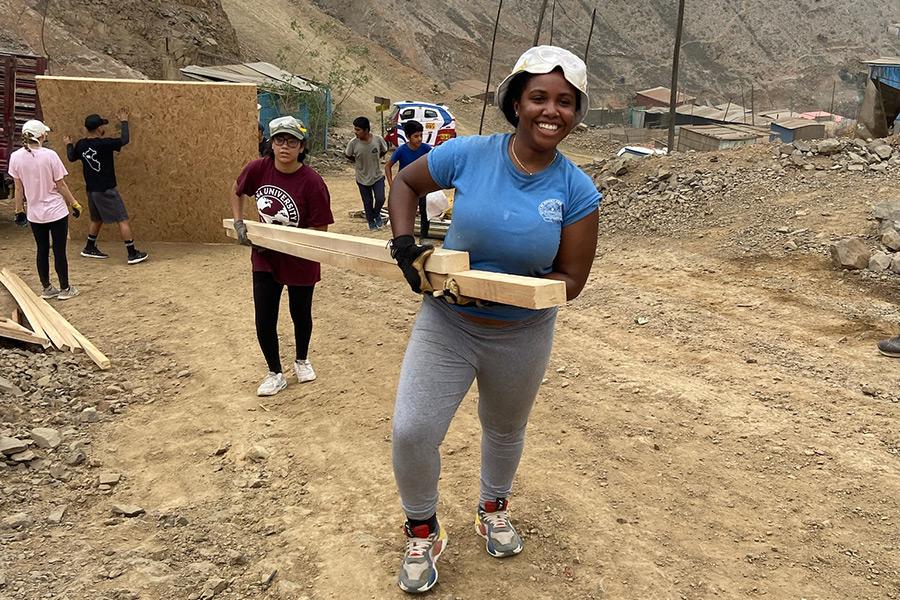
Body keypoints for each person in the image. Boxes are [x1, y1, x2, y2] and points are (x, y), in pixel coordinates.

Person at [386, 46, 600, 594]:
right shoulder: (469, 154)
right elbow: (406, 185)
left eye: (565, 102)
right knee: (413, 430)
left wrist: (502, 289)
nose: (552, 111)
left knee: (504, 428)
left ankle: (492, 506)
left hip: (520, 335)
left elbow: (570, 282)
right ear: (517, 102)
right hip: (448, 324)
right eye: (539, 98)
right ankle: (422, 528)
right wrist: (405, 243)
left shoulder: (576, 190)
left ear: (576, 113)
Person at [230, 116, 334, 396]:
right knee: (264, 315)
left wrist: (291, 244)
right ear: (271, 144)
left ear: (302, 147)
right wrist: (240, 222)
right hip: (265, 256)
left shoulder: (312, 182)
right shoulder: (258, 169)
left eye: (292, 141)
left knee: (300, 313)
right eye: (279, 140)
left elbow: (320, 229)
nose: (285, 146)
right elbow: (237, 190)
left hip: (300, 257)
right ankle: (275, 372)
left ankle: (302, 359)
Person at [8, 119, 84, 300]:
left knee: (41, 250)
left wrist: (19, 211)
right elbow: (61, 185)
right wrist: (74, 203)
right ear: (41, 135)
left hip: (35, 214)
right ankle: (65, 288)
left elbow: (18, 189)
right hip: (56, 211)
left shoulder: (16, 157)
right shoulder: (50, 155)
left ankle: (47, 288)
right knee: (59, 250)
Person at [64, 111, 148, 265]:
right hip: (106, 190)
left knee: (97, 219)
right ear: (98, 128)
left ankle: (89, 247)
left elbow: (71, 157)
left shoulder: (82, 145)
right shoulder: (105, 144)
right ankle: (132, 253)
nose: (104, 128)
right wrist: (124, 121)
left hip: (92, 191)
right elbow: (124, 140)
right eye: (103, 125)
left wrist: (68, 144)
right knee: (122, 219)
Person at [385, 120, 432, 239]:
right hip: (406, 187)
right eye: (416, 136)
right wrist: (392, 184)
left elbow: (435, 162)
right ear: (407, 137)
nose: (420, 139)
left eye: (421, 135)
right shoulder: (401, 150)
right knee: (406, 212)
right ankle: (405, 237)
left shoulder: (426, 149)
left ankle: (424, 236)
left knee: (424, 211)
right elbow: (388, 166)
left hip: (421, 186)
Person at [345, 116, 388, 230]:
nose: (355, 132)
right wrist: (358, 162)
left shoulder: (377, 140)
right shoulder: (353, 143)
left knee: (380, 198)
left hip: (377, 175)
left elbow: (384, 149)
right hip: (362, 177)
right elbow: (348, 155)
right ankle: (371, 221)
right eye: (355, 129)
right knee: (367, 202)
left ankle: (376, 214)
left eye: (358, 129)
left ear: (366, 130)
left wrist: (375, 158)